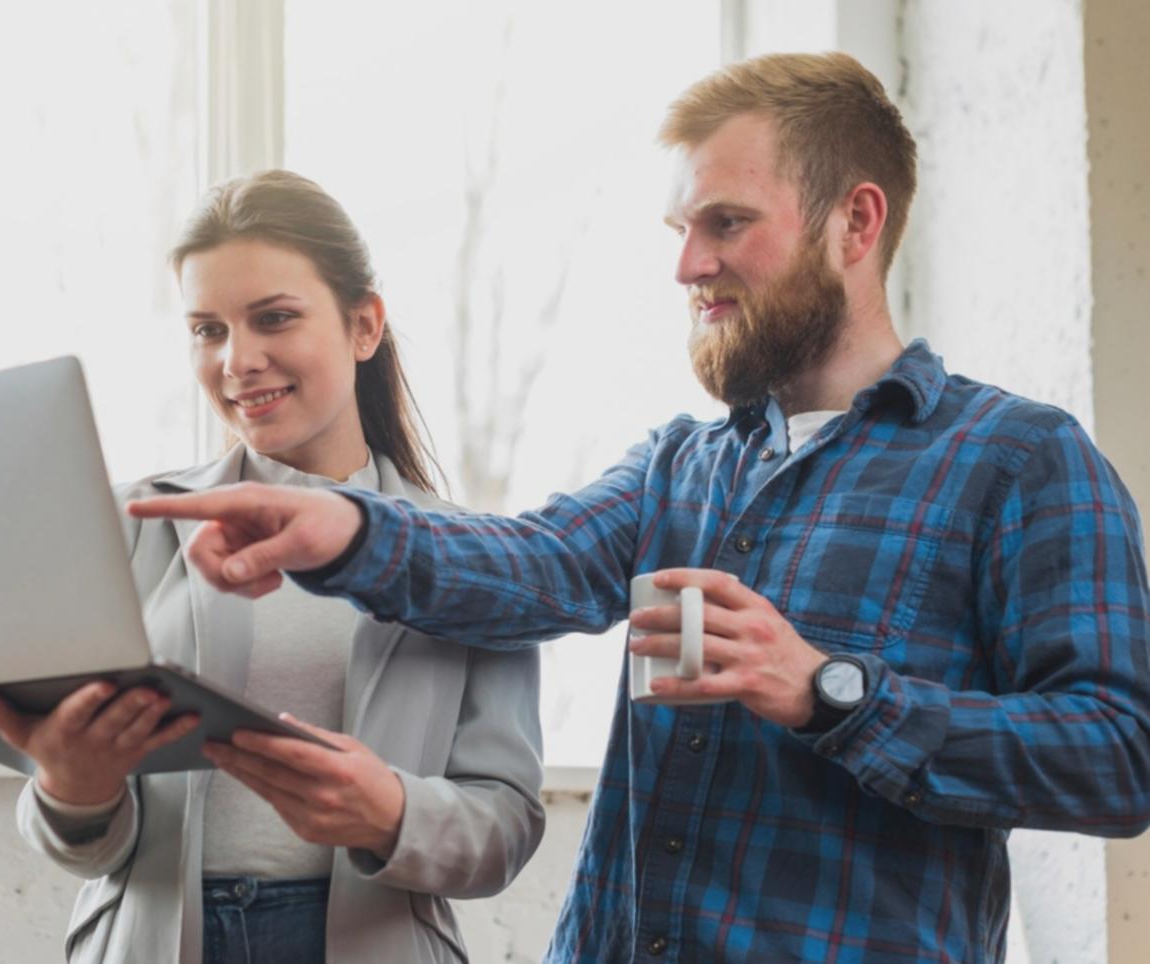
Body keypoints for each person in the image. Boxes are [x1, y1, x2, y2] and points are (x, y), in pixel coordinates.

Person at [128, 53, 1150, 961]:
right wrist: (346, 529)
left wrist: (830, 690)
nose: (687, 264)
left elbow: (1116, 755)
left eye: (727, 224)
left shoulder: (1017, 459)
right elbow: (528, 569)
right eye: (681, 229)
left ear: (857, 220)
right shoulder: (680, 466)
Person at [0, 170, 545, 964]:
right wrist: (73, 788)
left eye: (273, 318)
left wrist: (391, 811)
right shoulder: (127, 527)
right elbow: (84, 850)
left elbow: (505, 828)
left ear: (364, 326)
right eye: (208, 330)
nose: (237, 360)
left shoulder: (469, 557)